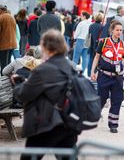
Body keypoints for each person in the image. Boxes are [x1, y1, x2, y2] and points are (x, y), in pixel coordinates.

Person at [12, 29, 79, 160]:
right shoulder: (70, 66)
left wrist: (18, 84)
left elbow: (23, 95)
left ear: (47, 47)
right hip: (68, 121)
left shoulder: (43, 69)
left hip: (46, 122)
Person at [90, 21, 124, 133]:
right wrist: (92, 71)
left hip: (118, 78)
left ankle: (113, 124)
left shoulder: (123, 44)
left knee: (117, 100)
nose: (119, 32)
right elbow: (97, 57)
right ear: (111, 30)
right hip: (104, 75)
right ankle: (94, 115)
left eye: (121, 30)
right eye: (117, 30)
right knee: (102, 98)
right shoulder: (103, 42)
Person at [0, 5, 17, 75]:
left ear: (0, 10)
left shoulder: (1, 17)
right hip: (12, 44)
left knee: (3, 65)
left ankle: (3, 82)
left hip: (4, 44)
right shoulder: (11, 16)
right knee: (8, 64)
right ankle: (7, 80)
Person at [88, 12, 104, 77]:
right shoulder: (102, 27)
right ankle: (95, 73)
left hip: (91, 44)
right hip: (98, 45)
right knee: (97, 60)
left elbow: (89, 35)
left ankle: (89, 73)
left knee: (91, 59)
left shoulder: (91, 26)